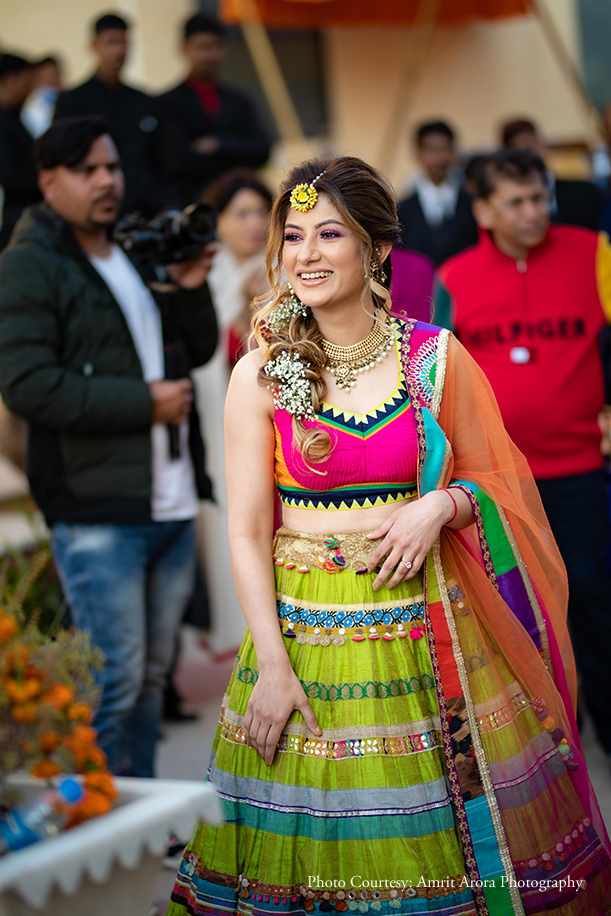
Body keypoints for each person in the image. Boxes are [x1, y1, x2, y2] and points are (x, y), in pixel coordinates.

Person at [167, 156, 611, 916]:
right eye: (293, 235)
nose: (303, 254)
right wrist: (270, 664)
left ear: (376, 250)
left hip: (428, 638)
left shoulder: (436, 357)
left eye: (328, 233)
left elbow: (499, 482)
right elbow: (245, 533)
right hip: (302, 641)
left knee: (434, 854)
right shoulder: (263, 372)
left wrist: (440, 508)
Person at [0, 117, 218, 778]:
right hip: (97, 506)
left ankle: (141, 816)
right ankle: (90, 825)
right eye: (87, 170)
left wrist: (189, 285)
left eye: (113, 167)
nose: (107, 181)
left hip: (168, 497)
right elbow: (27, 385)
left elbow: (196, 349)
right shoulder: (29, 265)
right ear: (48, 182)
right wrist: (143, 403)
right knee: (113, 680)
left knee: (152, 677)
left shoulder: (128, 251)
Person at [434, 147, 611, 766]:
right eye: (517, 202)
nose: (534, 212)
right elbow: (439, 378)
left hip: (580, 470)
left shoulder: (594, 253)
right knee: (517, 607)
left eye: (540, 197)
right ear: (483, 209)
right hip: (492, 483)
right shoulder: (452, 278)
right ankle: (544, 737)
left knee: (593, 600)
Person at [196, 169, 273, 653]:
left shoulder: (287, 270)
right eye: (240, 213)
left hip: (280, 417)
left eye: (262, 212)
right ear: (218, 221)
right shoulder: (205, 275)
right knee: (237, 518)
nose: (253, 223)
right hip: (223, 416)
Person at [156, 13, 270, 208]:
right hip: (191, 206)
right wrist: (237, 154)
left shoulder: (239, 101)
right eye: (202, 47)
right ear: (184, 49)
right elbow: (177, 161)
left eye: (216, 46)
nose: (210, 55)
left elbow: (262, 150)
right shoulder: (167, 103)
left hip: (239, 208)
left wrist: (218, 145)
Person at [54, 12, 164, 214]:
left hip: (146, 208)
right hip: (95, 208)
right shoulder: (73, 101)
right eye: (111, 42)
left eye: (124, 42)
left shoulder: (144, 101)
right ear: (94, 46)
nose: (119, 50)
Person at [397, 120, 478, 266]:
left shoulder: (472, 204)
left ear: (454, 152)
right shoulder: (403, 209)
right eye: (432, 150)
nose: (439, 158)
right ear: (419, 154)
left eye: (445, 149)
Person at [500, 117, 602, 231]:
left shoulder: (584, 191)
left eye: (532, 146)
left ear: (544, 146)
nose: (528, 158)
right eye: (520, 152)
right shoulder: (505, 205)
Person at [0, 53, 41, 250]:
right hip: (17, 222)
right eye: (27, 82)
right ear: (9, 80)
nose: (30, 89)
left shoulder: (17, 118)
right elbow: (9, 174)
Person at [21, 54, 63, 138]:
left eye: (56, 75)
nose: (56, 81)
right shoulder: (31, 106)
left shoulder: (64, 100)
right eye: (49, 80)